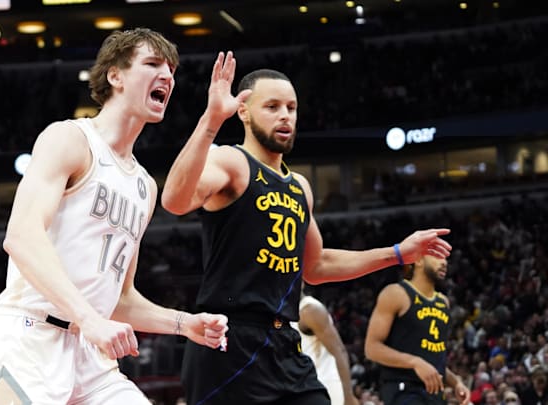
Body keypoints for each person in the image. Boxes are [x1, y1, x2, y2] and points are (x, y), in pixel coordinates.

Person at [160, 52, 453, 404]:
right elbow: (175, 201)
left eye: (291, 107)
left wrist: (396, 254)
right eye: (272, 106)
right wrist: (210, 121)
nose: (285, 115)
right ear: (243, 112)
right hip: (229, 343)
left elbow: (316, 267)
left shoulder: (299, 186)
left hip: (284, 345)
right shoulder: (232, 161)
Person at [0, 28, 228, 405]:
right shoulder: (69, 139)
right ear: (115, 75)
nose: (168, 76)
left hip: (89, 351)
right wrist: (90, 319)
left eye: (172, 70)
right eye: (152, 64)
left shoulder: (144, 187)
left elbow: (120, 300)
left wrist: (184, 324)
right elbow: (21, 237)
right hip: (30, 334)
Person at [364, 255, 470, 405]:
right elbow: (372, 348)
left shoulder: (443, 302)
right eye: (437, 257)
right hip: (404, 389)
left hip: (435, 393)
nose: (444, 263)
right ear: (418, 260)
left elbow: (433, 360)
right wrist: (414, 362)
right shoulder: (396, 293)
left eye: (445, 258)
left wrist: (456, 383)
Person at [291, 290, 360, 405]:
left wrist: (348, 396)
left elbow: (340, 351)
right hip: (304, 387)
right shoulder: (283, 311)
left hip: (325, 384)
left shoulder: (310, 310)